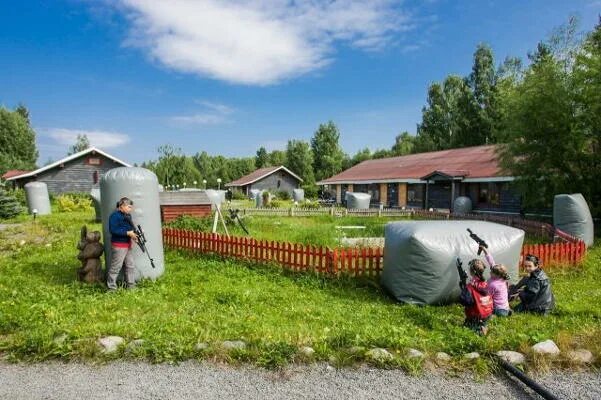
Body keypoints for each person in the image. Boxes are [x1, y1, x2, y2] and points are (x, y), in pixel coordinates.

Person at [106, 197, 138, 291]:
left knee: (130, 265)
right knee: (116, 267)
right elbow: (113, 230)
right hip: (119, 245)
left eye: (131, 207)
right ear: (122, 206)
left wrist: (134, 236)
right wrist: (128, 233)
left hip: (127, 245)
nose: (130, 209)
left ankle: (131, 286)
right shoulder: (114, 216)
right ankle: (111, 288)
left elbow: (129, 228)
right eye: (129, 207)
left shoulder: (128, 216)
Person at [460, 256, 494, 335]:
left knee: (466, 328)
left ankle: (480, 329)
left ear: (471, 272)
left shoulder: (470, 286)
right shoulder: (487, 283)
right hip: (488, 313)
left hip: (477, 316)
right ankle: (484, 324)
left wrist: (463, 290)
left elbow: (466, 302)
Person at [479, 246, 512, 317]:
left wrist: (479, 289)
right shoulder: (501, 277)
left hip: (499, 310)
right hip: (505, 307)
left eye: (492, 272)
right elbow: (491, 261)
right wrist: (484, 250)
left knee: (483, 308)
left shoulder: (494, 284)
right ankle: (507, 312)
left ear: (497, 275)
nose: (490, 272)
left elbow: (487, 296)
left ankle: (493, 315)